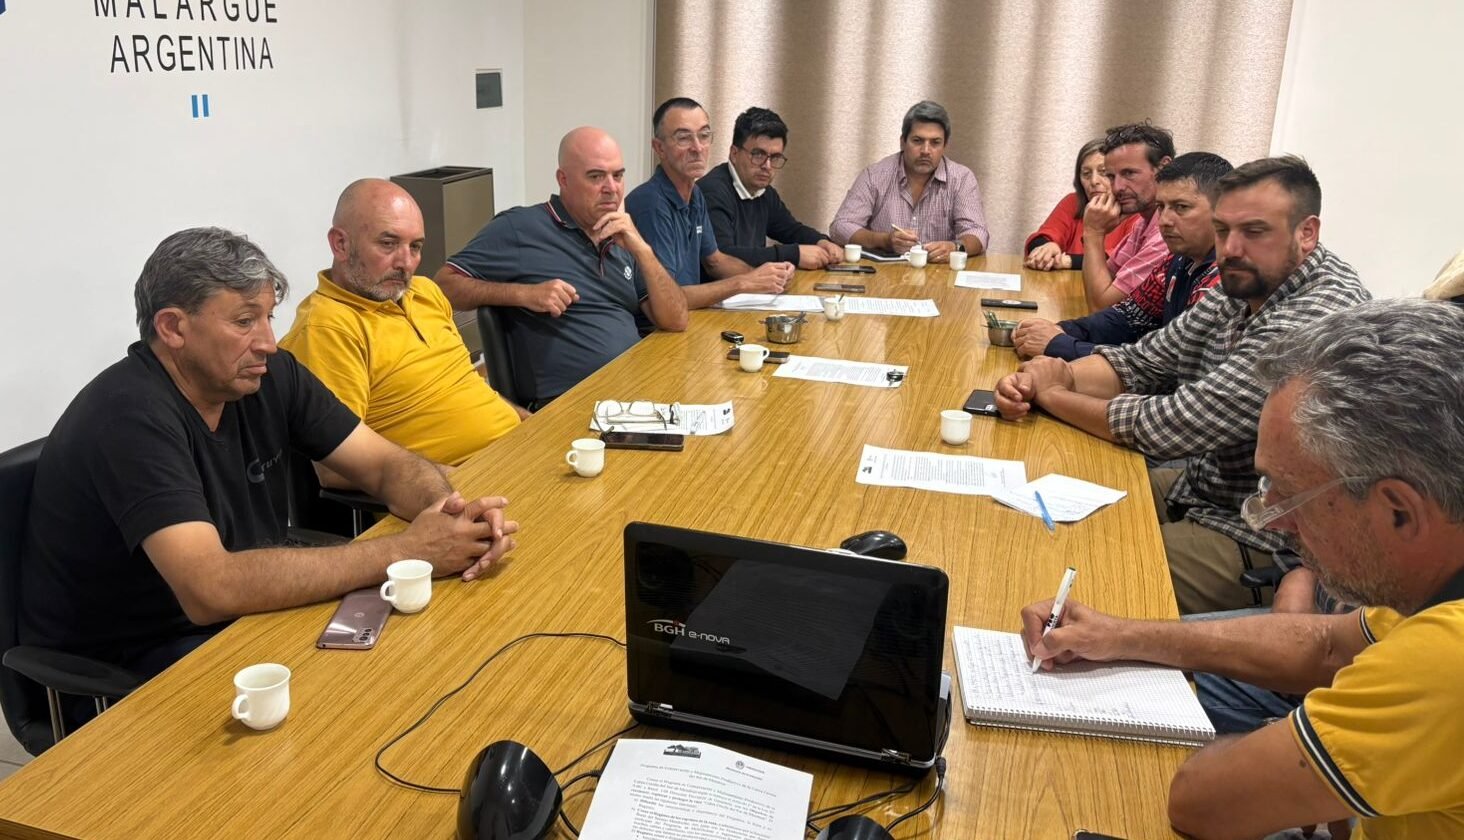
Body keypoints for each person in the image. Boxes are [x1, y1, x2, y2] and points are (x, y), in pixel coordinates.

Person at [1023, 299, 1464, 839]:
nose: (1272, 520)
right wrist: (1118, 635)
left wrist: (1294, 740)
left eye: (1290, 494)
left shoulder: (1446, 660)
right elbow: (1328, 648)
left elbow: (1200, 803)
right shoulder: (1438, 579)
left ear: (1399, 511)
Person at [19, 227, 518, 680]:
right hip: (132, 666)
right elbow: (210, 588)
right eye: (244, 321)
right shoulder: (128, 417)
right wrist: (405, 551)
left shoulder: (268, 376)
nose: (268, 343)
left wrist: (445, 512)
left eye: (268, 317)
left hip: (242, 621)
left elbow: (385, 464)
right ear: (173, 328)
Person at [995, 156, 1369, 615]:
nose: (1231, 248)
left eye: (1254, 231)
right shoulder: (1246, 280)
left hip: (1270, 536)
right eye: (1223, 230)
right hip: (1206, 485)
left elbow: (1173, 425)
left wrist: (1053, 393)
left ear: (1306, 233)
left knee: (1076, 571)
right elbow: (1143, 360)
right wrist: (1050, 376)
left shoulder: (1316, 313)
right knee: (1033, 509)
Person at [279, 179, 522, 484]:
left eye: (415, 247)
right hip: (456, 485)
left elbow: (466, 384)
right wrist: (454, 482)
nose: (406, 263)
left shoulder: (424, 291)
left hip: (515, 453)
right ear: (340, 244)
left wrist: (528, 422)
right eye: (388, 243)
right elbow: (335, 469)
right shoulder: (327, 328)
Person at [435, 127, 689, 410]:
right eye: (596, 176)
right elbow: (444, 286)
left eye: (617, 176)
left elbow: (676, 320)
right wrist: (523, 294)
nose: (611, 188)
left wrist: (643, 250)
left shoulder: (622, 237)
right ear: (563, 179)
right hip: (572, 405)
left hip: (634, 389)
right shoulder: (521, 227)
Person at [1015, 152, 1233, 360]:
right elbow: (1128, 316)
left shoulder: (1222, 281)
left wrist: (1058, 343)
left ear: (1223, 211)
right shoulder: (1178, 260)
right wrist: (1060, 329)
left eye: (1181, 207)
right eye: (1161, 207)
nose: (1164, 220)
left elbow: (1163, 364)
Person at [624, 97, 794, 306]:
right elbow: (668, 299)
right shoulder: (651, 204)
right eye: (684, 138)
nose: (697, 148)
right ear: (659, 148)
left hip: (692, 315)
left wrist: (767, 277)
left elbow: (715, 261)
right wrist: (743, 283)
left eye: (704, 136)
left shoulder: (695, 194)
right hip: (661, 322)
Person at [829, 100, 989, 261]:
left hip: (940, 271)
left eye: (935, 142)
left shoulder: (961, 179)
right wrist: (885, 240)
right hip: (884, 272)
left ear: (945, 146)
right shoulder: (875, 175)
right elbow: (840, 227)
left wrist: (955, 247)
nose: (926, 151)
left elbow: (977, 233)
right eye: (917, 141)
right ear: (902, 142)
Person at [698, 106, 843, 272]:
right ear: (734, 154)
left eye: (775, 157)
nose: (767, 166)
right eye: (758, 154)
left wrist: (820, 241)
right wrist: (794, 254)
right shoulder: (711, 192)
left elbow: (790, 229)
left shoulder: (763, 192)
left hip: (751, 285)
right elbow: (722, 257)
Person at [1080, 122, 1175, 310]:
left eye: (1129, 173)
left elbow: (1100, 307)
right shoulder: (1143, 222)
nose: (1117, 188)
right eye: (1111, 176)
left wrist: (1093, 233)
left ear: (1163, 168)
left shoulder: (1165, 233)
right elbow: (1100, 285)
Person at [1023, 138, 1139, 271]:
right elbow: (1043, 236)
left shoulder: (1134, 210)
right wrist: (1046, 248)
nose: (1094, 181)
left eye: (1103, 172)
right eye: (1086, 174)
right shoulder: (1073, 202)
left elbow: (1125, 257)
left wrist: (1068, 261)